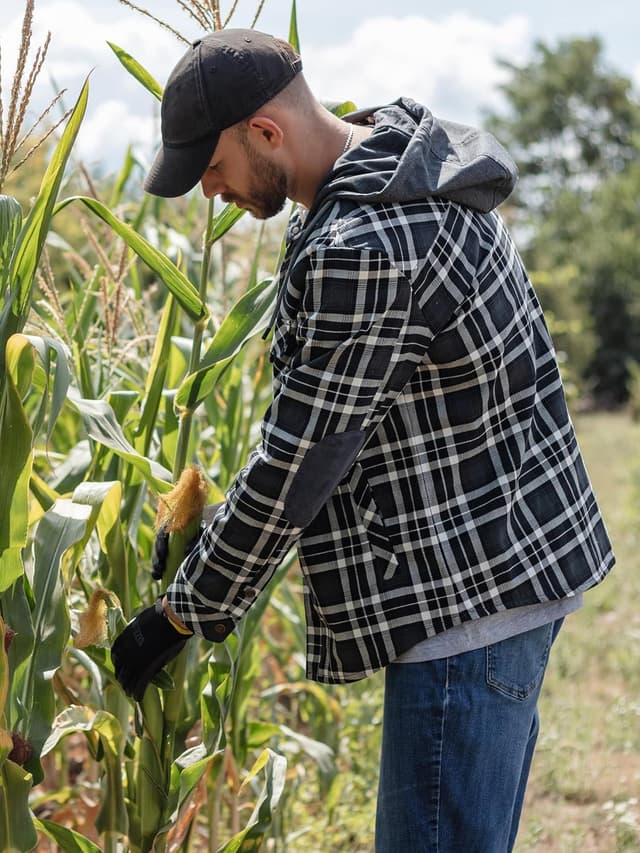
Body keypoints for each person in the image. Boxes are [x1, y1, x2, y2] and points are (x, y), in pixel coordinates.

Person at [111, 28, 615, 852]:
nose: (211, 192)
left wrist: (179, 615)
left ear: (265, 132)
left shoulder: (370, 242)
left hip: (467, 602)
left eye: (213, 168)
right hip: (505, 569)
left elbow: (298, 463)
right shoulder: (400, 168)